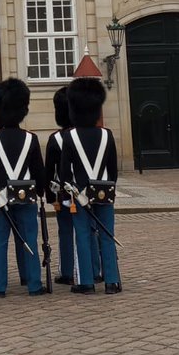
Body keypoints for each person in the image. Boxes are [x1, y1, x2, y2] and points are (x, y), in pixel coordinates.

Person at [0, 78, 46, 298]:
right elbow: (38, 172)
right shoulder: (31, 139)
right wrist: (42, 192)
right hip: (26, 198)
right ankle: (34, 284)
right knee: (29, 240)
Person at [60, 77, 122, 295]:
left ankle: (86, 281)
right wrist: (107, 186)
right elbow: (113, 169)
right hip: (104, 191)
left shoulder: (70, 136)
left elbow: (64, 172)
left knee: (84, 236)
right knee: (106, 234)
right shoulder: (107, 135)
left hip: (80, 193)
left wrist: (69, 192)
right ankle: (111, 281)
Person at [42, 87, 75, 286]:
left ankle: (68, 271)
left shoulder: (56, 139)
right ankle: (95, 269)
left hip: (64, 194)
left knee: (66, 232)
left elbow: (49, 171)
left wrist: (50, 197)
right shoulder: (93, 134)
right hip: (89, 193)